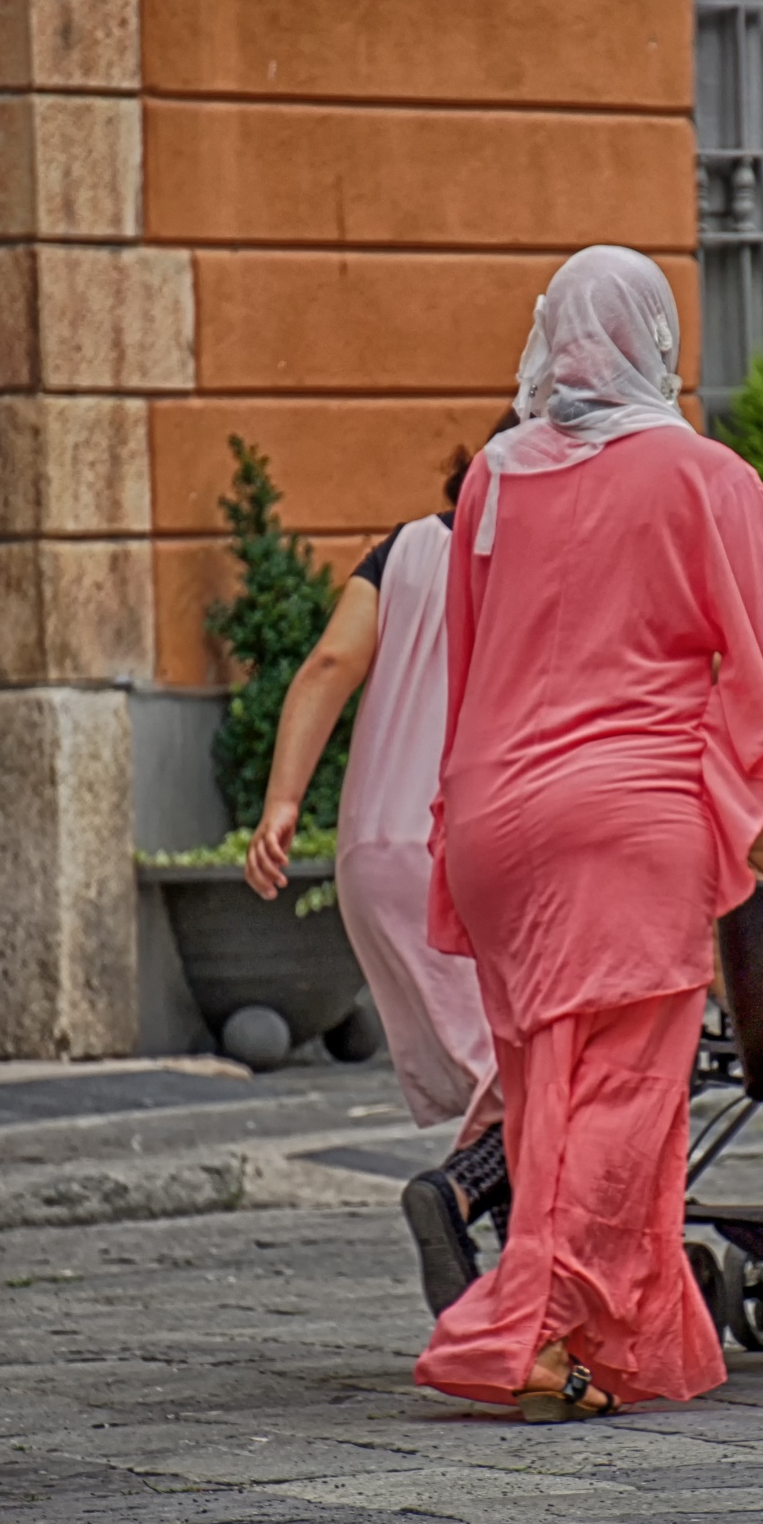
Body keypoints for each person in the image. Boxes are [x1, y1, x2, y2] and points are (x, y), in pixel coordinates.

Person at [416, 246, 763, 1422]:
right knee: (628, 1092)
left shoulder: (489, 481)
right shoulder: (700, 475)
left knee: (545, 1096)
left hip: (494, 821)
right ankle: (521, 1328)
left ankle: (587, 1338)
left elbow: (472, 655)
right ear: (657, 342)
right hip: (626, 819)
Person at [244, 418, 520, 1316]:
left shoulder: (400, 550)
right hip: (468, 848)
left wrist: (283, 803)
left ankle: (517, 1287)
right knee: (539, 1071)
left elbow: (329, 663)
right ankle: (457, 1197)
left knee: (501, 1081)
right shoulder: (536, 552)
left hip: (370, 854)